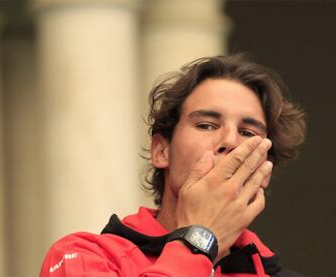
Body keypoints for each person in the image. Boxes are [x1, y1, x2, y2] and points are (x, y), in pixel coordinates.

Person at [40, 54, 306, 277]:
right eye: (206, 125)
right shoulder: (83, 256)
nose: (230, 141)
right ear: (161, 150)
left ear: (264, 171)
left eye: (248, 133)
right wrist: (201, 238)